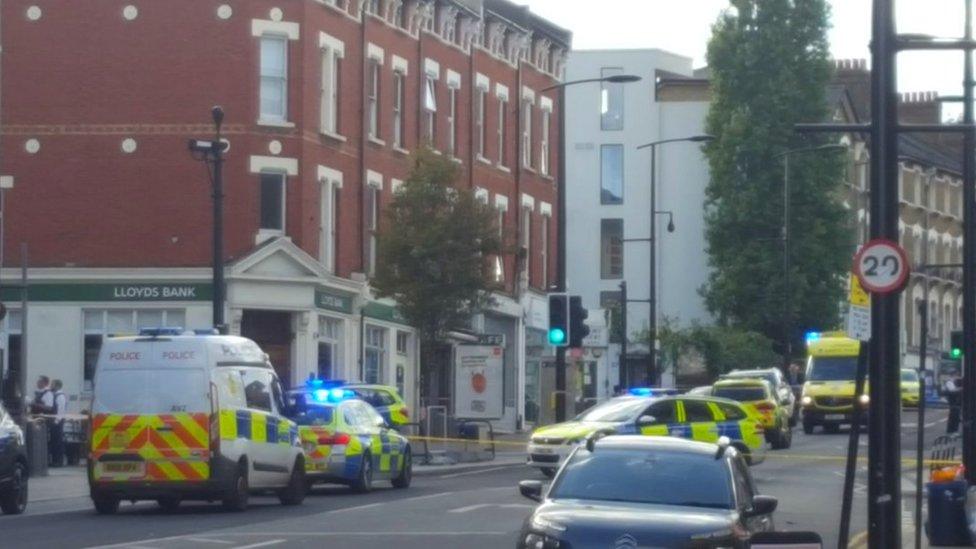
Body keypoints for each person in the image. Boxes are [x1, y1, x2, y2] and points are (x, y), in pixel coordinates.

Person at [49, 379, 67, 467]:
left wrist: (56, 422)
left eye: (52, 384)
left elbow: (61, 410)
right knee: (54, 441)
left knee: (57, 441)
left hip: (57, 422)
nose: (51, 386)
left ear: (57, 386)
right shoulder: (55, 395)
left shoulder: (60, 396)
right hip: (56, 421)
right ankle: (55, 460)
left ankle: (58, 461)